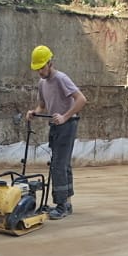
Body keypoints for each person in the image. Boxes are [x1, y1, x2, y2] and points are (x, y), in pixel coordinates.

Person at [26, 45, 87, 219]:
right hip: (55, 125)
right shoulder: (42, 83)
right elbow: (42, 105)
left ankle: (61, 206)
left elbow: (81, 99)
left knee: (58, 165)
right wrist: (34, 112)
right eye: (37, 69)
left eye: (42, 67)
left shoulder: (61, 79)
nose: (40, 71)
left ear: (50, 63)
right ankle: (67, 203)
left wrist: (65, 117)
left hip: (67, 125)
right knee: (62, 164)